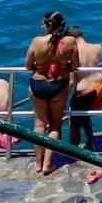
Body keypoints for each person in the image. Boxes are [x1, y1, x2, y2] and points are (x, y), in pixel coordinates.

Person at [24, 11, 79, 174]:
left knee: (39, 124)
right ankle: (48, 164)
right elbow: (75, 65)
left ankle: (38, 164)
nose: (41, 26)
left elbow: (27, 65)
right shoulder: (70, 41)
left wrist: (41, 67)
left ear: (49, 25)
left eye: (43, 23)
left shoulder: (36, 41)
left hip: (38, 84)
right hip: (58, 85)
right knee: (55, 124)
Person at [66, 26, 102, 151]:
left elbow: (71, 81)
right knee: (85, 115)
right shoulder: (97, 47)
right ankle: (91, 142)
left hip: (83, 90)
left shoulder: (73, 53)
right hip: (98, 85)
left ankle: (73, 148)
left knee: (74, 123)